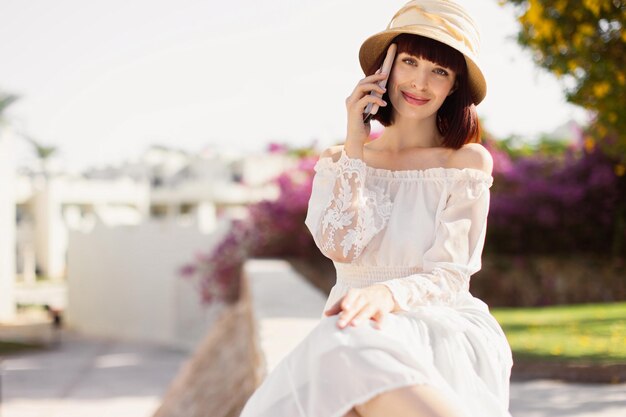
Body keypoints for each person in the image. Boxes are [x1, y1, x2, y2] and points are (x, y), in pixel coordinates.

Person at [239, 1, 514, 416]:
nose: (420, 82)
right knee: (342, 342)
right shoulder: (339, 161)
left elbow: (451, 274)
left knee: (341, 344)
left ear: (455, 85)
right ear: (385, 67)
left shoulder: (466, 162)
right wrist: (355, 142)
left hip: (433, 322)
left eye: (439, 70)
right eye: (409, 62)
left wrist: (386, 293)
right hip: (354, 324)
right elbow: (340, 247)